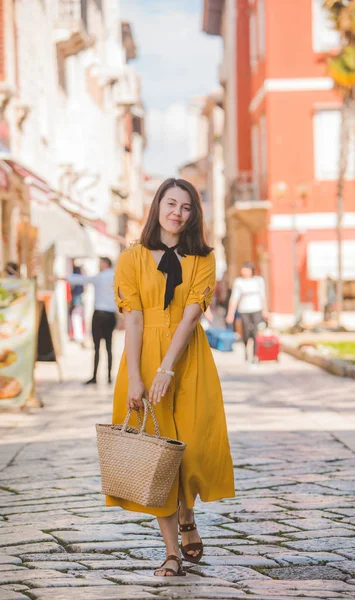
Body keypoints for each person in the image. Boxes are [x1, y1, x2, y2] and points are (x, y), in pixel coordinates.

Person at [110, 177, 235, 578]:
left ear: (193, 214)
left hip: (189, 356)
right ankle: (171, 553)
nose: (178, 213)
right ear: (157, 206)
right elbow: (133, 317)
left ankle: (187, 515)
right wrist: (137, 376)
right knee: (158, 458)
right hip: (143, 355)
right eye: (171, 203)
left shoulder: (204, 258)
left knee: (194, 447)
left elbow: (191, 314)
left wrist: (168, 367)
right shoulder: (131, 258)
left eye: (186, 207)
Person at [67, 257, 116, 385]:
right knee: (109, 347)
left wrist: (64, 278)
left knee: (97, 347)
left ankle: (95, 376)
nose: (99, 266)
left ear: (106, 264)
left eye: (101, 263)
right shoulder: (116, 277)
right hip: (111, 315)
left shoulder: (99, 277)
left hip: (99, 314)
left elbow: (82, 280)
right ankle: (109, 376)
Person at [226, 262, 268, 362]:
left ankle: (255, 354)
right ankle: (246, 348)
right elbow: (234, 299)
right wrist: (230, 314)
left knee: (255, 332)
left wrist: (265, 311)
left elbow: (263, 297)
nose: (243, 271)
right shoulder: (239, 282)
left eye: (245, 269)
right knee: (246, 331)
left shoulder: (259, 280)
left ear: (251, 270)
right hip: (244, 310)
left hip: (256, 309)